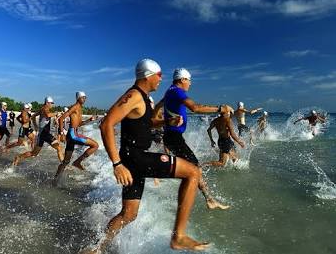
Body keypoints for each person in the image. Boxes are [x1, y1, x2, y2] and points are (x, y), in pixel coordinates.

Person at [86, 59, 208, 253]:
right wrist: (117, 164)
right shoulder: (134, 95)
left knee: (129, 214)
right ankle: (179, 237)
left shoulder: (142, 98)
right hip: (135, 158)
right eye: (159, 76)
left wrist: (167, 122)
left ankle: (96, 248)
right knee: (193, 172)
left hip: (134, 159)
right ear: (148, 75)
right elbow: (106, 124)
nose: (161, 80)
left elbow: (145, 124)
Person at [161, 67, 231, 209]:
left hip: (171, 136)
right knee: (194, 168)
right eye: (189, 80)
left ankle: (198, 199)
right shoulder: (177, 91)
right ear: (182, 80)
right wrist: (220, 108)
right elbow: (195, 108)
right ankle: (206, 200)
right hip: (174, 137)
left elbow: (158, 106)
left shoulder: (169, 91)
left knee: (191, 168)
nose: (190, 83)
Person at [53, 91, 99, 184]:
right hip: (73, 134)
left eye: (85, 97)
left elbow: (79, 124)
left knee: (65, 161)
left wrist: (89, 120)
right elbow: (61, 118)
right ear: (78, 98)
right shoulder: (75, 107)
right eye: (83, 97)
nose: (85, 99)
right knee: (95, 145)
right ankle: (77, 162)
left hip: (73, 134)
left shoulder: (80, 109)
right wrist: (62, 133)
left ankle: (55, 181)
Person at [13, 97, 64, 166]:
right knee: (59, 147)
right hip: (44, 134)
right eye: (51, 103)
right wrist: (56, 113)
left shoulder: (42, 109)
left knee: (34, 153)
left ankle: (19, 157)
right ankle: (64, 165)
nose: (52, 105)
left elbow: (33, 116)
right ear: (47, 103)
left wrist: (36, 126)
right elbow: (48, 115)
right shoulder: (45, 108)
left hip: (42, 134)